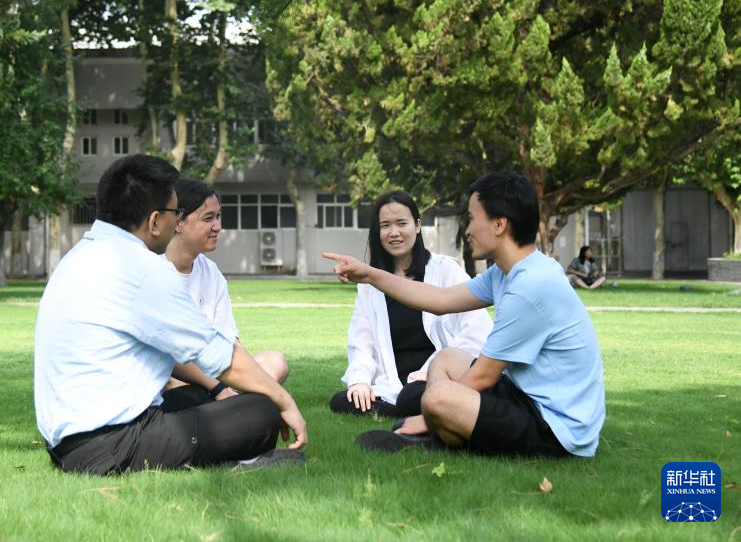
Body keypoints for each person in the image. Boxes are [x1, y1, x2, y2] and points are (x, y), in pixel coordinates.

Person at [34, 154, 307, 476]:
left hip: (68, 442)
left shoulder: (79, 256)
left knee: (204, 396)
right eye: (175, 213)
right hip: (111, 445)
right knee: (261, 410)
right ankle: (240, 462)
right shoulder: (143, 270)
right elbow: (219, 356)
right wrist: (283, 401)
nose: (176, 221)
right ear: (154, 221)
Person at [324, 171, 605, 459]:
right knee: (446, 359)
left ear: (499, 225)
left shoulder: (530, 286)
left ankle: (435, 432)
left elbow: (483, 376)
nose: (467, 230)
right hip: (524, 396)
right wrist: (369, 274)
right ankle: (442, 431)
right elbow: (441, 299)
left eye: (471, 219)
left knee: (438, 397)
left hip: (555, 426)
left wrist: (425, 416)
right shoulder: (507, 272)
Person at [329, 190, 491, 419]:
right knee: (342, 400)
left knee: (415, 395)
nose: (394, 232)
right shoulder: (370, 282)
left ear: (417, 226)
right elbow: (362, 341)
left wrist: (432, 372)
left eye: (401, 223)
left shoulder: (445, 269)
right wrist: (360, 381)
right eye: (385, 225)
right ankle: (404, 409)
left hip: (434, 379)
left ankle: (405, 408)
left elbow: (475, 332)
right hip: (391, 384)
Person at [164, 178, 289, 408]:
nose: (217, 226)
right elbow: (167, 357)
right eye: (208, 218)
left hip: (216, 374)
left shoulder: (211, 272)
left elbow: (232, 343)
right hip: (177, 376)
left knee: (275, 361)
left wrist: (250, 378)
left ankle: (231, 406)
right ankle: (237, 406)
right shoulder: (153, 271)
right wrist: (219, 387)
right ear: (178, 222)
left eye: (218, 216)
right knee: (175, 382)